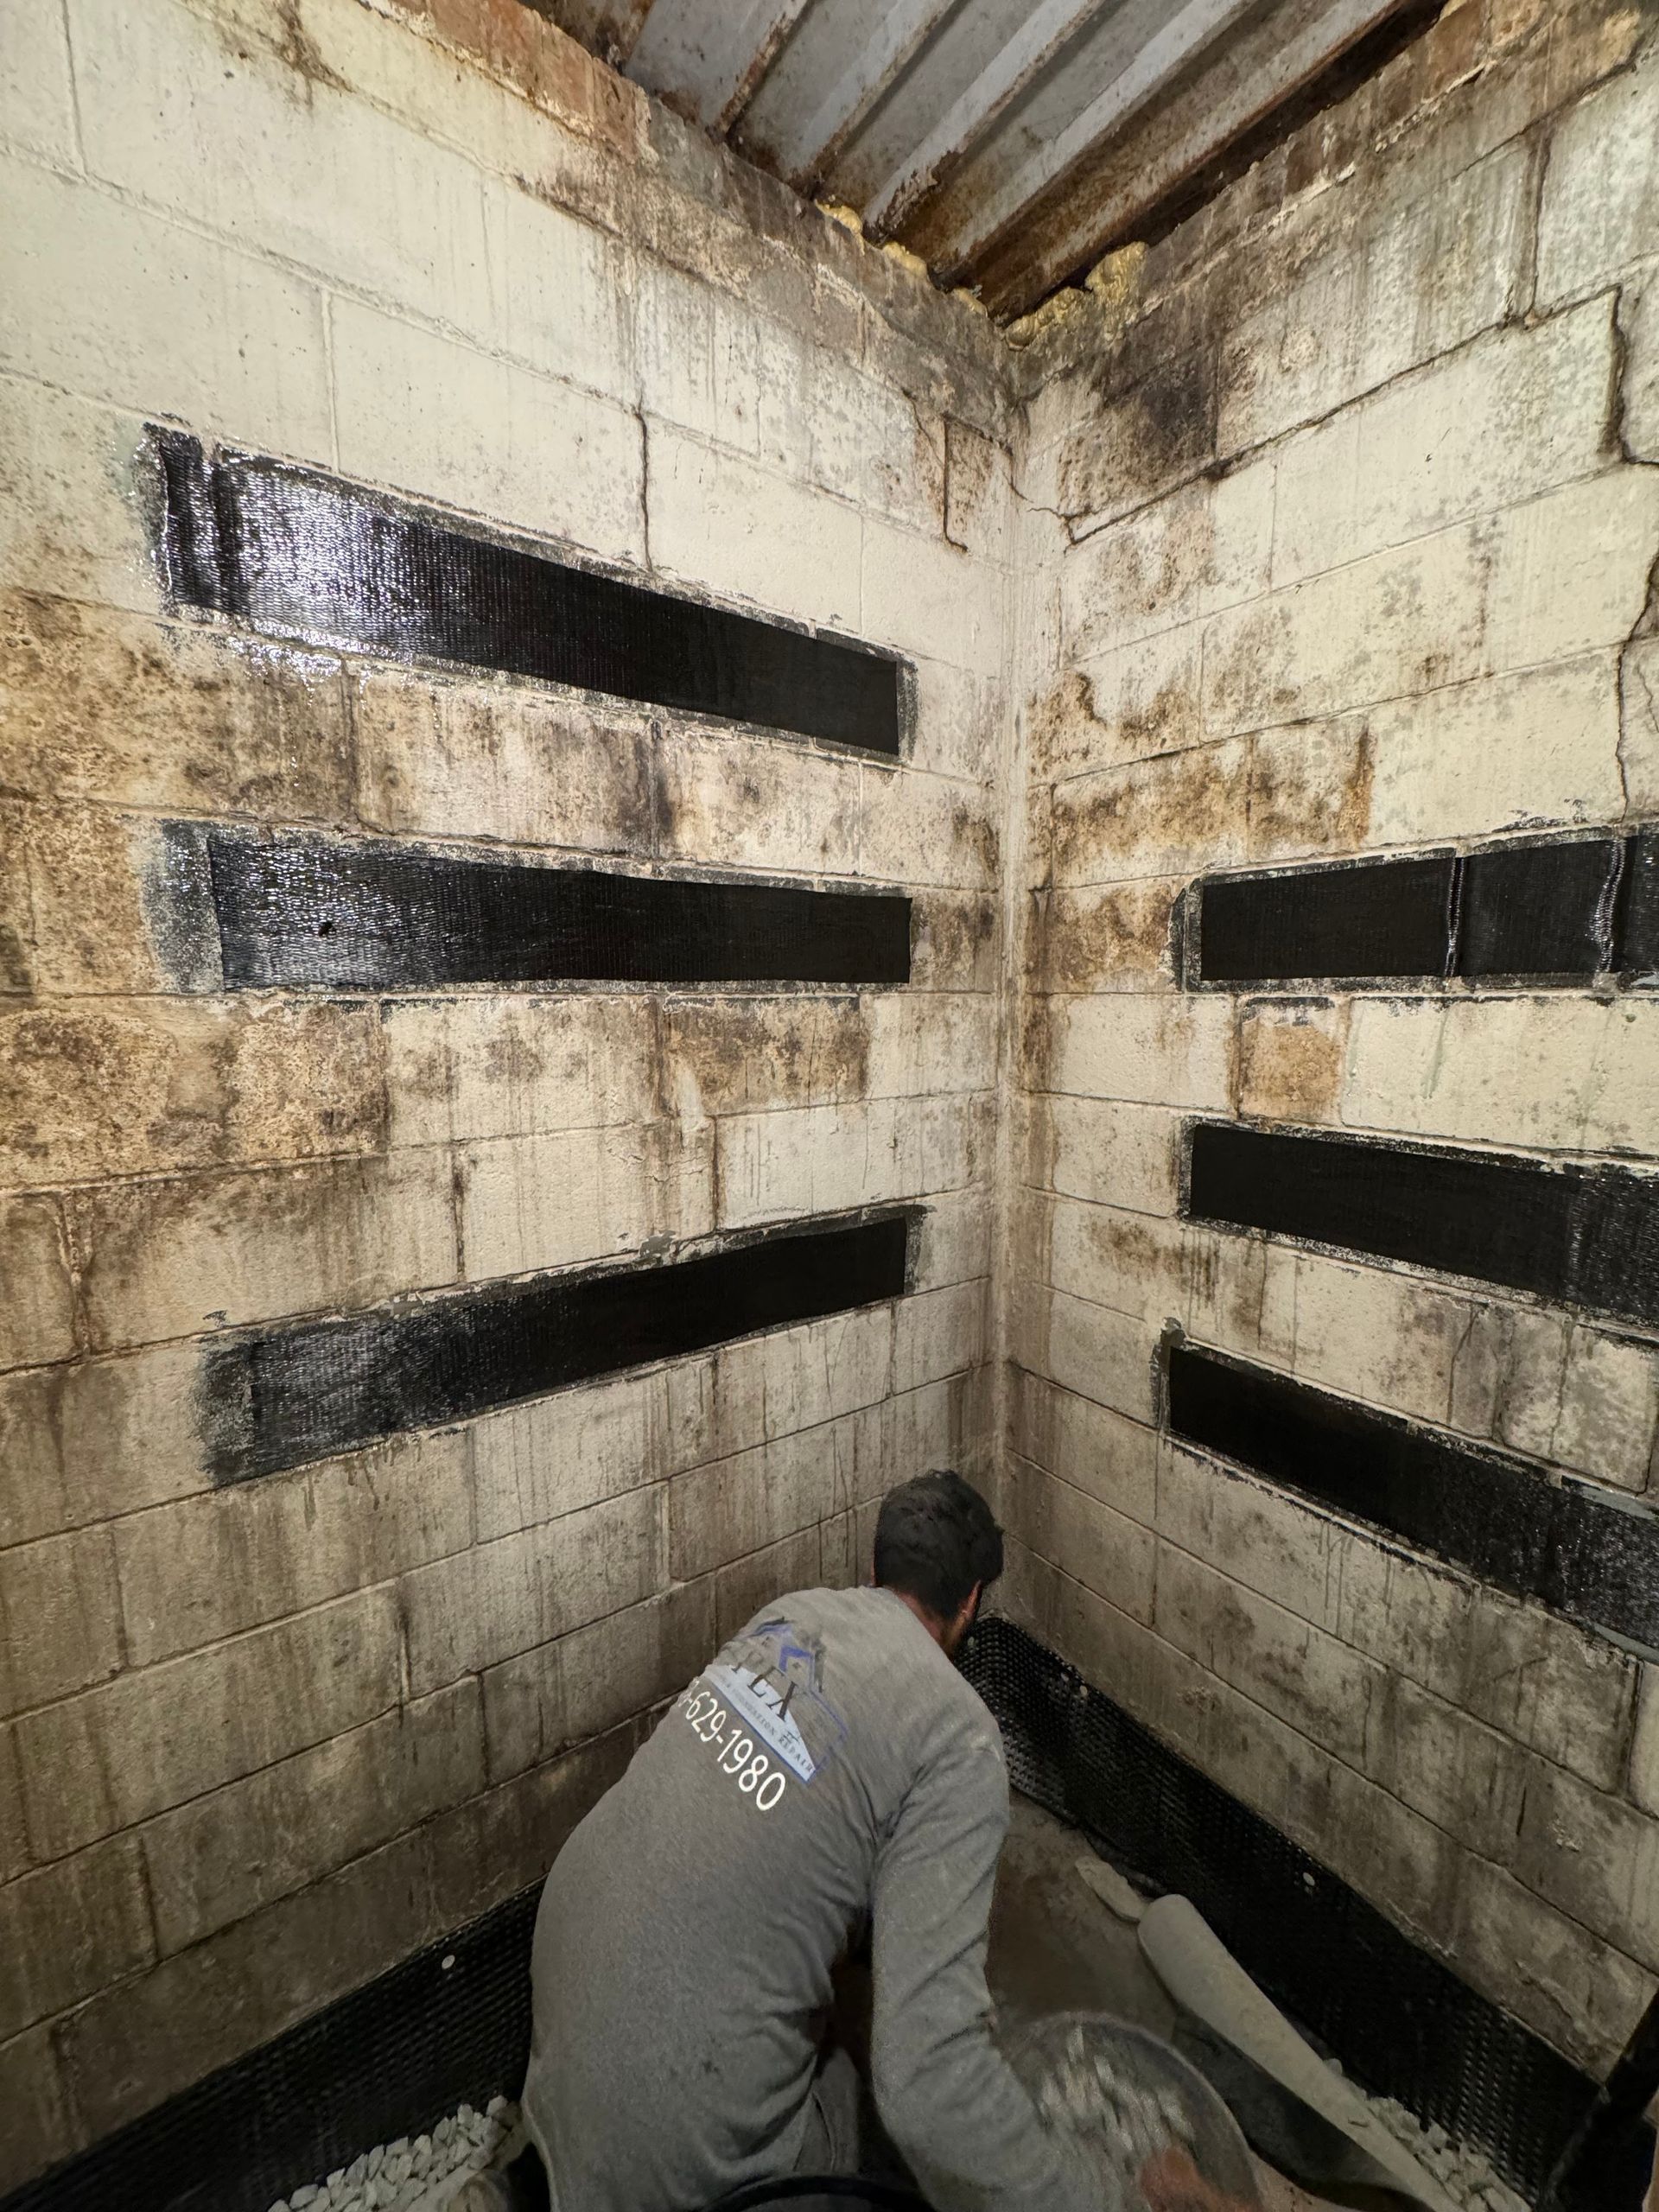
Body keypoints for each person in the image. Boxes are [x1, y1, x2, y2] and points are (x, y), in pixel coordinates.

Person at [506, 1468, 1103, 2212]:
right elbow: (930, 2087)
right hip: (672, 2131)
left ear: (875, 1568)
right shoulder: (961, 1737)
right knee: (896, 2130)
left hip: (563, 2007)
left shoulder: (791, 1613)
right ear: (971, 1602)